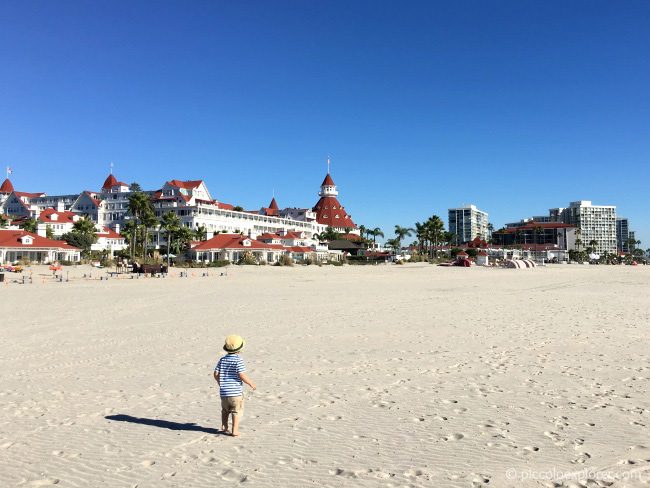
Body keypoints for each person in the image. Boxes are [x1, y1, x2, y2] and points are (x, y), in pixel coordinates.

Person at [213, 335, 256, 436]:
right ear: (240, 349)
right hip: (235, 392)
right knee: (236, 411)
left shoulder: (222, 359)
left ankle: (224, 426)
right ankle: (235, 430)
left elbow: (215, 374)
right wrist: (250, 383)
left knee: (225, 410)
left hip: (224, 392)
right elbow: (241, 375)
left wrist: (220, 383)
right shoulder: (238, 360)